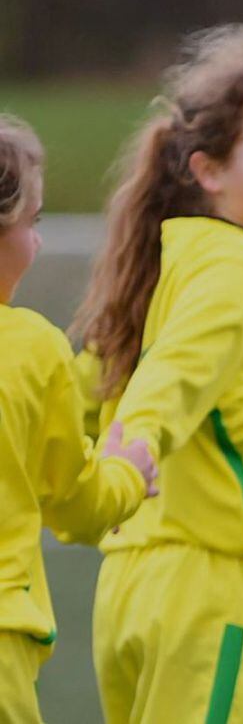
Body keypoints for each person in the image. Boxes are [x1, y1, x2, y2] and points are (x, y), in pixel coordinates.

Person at [70, 25, 243, 724]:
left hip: (131, 581)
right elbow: (176, 374)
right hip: (210, 589)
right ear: (208, 169)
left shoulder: (171, 259)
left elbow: (85, 392)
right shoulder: (235, 265)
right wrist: (136, 445)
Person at [0, 115, 157, 723]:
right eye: (31, 223)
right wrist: (127, 473)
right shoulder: (34, 350)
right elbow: (74, 504)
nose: (36, 242)